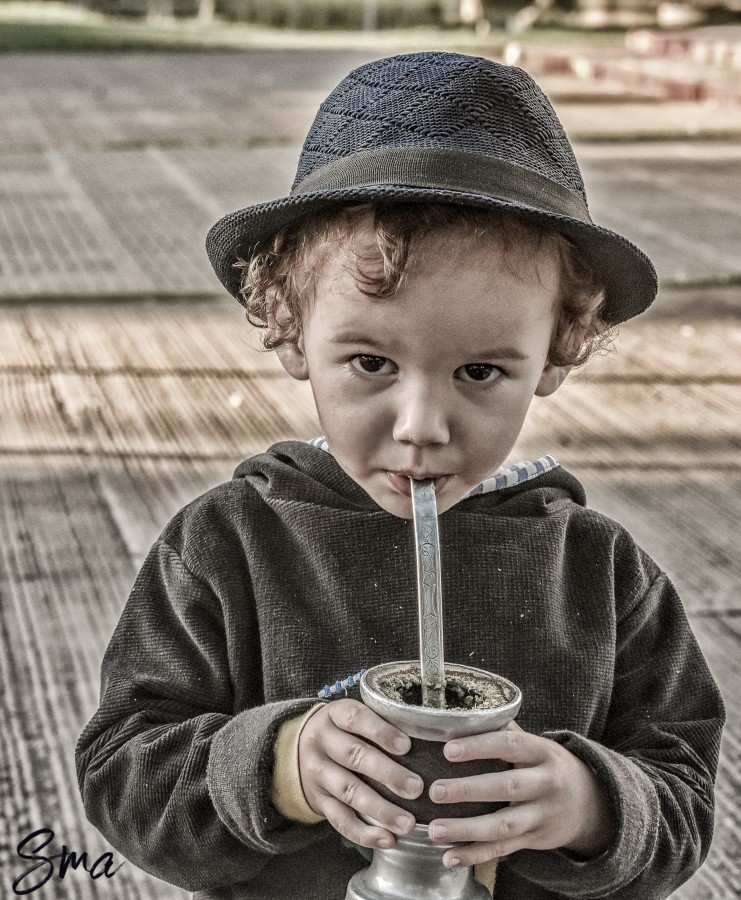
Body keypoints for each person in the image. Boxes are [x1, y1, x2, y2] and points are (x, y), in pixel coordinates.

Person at [75, 52, 724, 900]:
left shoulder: (601, 575)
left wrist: (589, 804)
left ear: (557, 349)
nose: (421, 426)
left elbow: (682, 798)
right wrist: (278, 769)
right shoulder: (229, 545)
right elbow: (122, 773)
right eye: (371, 361)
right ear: (289, 324)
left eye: (481, 372)